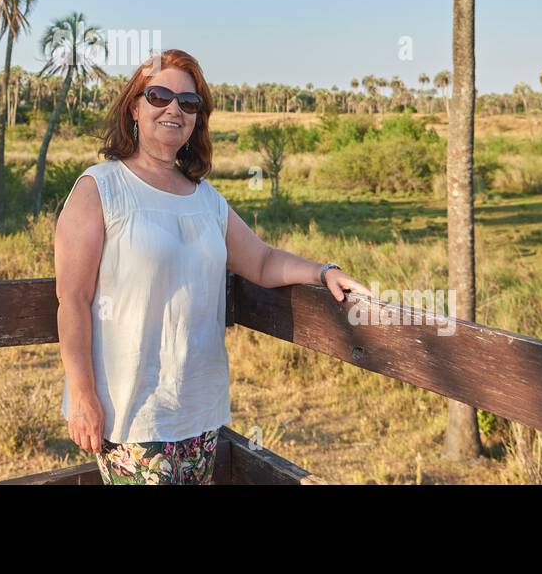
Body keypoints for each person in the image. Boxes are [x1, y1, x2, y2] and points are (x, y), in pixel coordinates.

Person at [55, 48, 372, 484]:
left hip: (198, 412)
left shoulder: (205, 198)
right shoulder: (102, 188)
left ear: (197, 119)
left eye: (188, 103)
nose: (173, 109)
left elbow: (260, 261)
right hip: (131, 418)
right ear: (134, 105)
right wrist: (83, 394)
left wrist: (323, 271)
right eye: (159, 96)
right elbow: (72, 297)